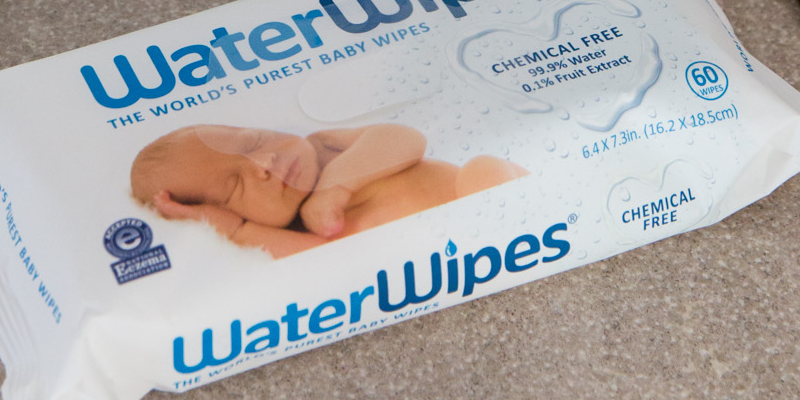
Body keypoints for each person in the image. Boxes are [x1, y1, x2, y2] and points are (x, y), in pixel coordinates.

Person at [130, 120, 526, 258]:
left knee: (483, 170)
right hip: (449, 254)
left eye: (253, 142)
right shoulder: (291, 233)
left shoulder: (325, 146)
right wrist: (232, 229)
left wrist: (336, 187)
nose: (264, 163)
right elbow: (314, 262)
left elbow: (405, 139)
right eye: (236, 184)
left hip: (472, 196)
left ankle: (525, 215)